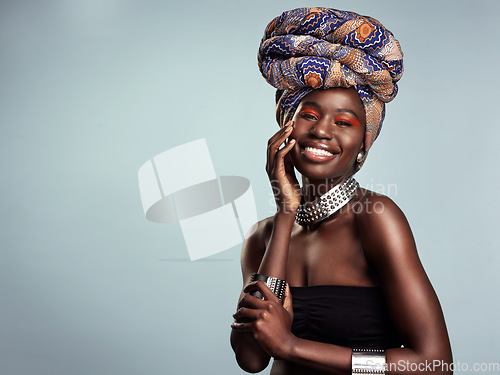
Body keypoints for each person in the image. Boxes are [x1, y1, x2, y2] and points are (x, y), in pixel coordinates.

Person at [230, 7, 452, 375]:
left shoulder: (376, 219)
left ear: (363, 146)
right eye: (309, 115)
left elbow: (434, 364)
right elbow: (251, 358)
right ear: (286, 127)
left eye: (345, 122)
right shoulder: (262, 237)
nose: (322, 131)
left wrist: (293, 347)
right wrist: (286, 213)